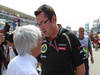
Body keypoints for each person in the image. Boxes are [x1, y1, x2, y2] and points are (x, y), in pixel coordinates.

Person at [34, 4, 85, 75]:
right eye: (39, 24)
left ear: (53, 19)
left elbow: (81, 69)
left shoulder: (69, 37)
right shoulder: (40, 40)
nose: (41, 27)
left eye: (43, 22)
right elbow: (39, 64)